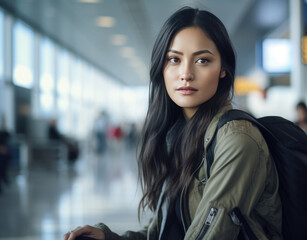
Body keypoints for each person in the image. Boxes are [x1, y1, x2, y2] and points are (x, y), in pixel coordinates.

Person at [64, 6, 282, 240]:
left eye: (202, 60)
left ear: (223, 70)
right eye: (174, 59)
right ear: (162, 67)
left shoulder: (238, 140)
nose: (185, 73)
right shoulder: (180, 135)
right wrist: (109, 238)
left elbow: (210, 235)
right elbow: (161, 233)